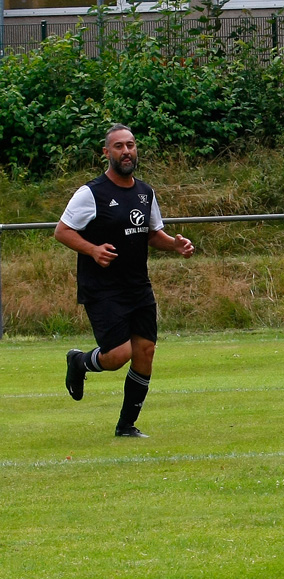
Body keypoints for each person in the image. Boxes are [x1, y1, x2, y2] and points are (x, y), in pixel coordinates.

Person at [55, 123, 195, 438]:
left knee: (145, 351)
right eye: (118, 146)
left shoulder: (145, 192)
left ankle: (126, 426)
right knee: (119, 355)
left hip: (137, 286)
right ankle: (79, 362)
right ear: (107, 153)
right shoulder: (91, 193)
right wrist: (92, 249)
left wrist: (174, 244)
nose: (126, 151)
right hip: (102, 288)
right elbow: (62, 231)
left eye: (130, 145)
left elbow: (152, 234)